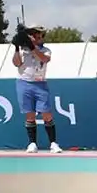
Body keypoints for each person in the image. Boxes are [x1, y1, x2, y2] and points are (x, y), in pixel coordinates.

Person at [11, 25, 60, 153]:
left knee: (46, 113)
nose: (37, 37)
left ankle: (53, 143)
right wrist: (17, 47)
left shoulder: (46, 50)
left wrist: (33, 47)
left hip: (40, 84)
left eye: (40, 35)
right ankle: (32, 143)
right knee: (30, 114)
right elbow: (16, 63)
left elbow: (44, 59)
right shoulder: (23, 50)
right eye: (34, 34)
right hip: (24, 82)